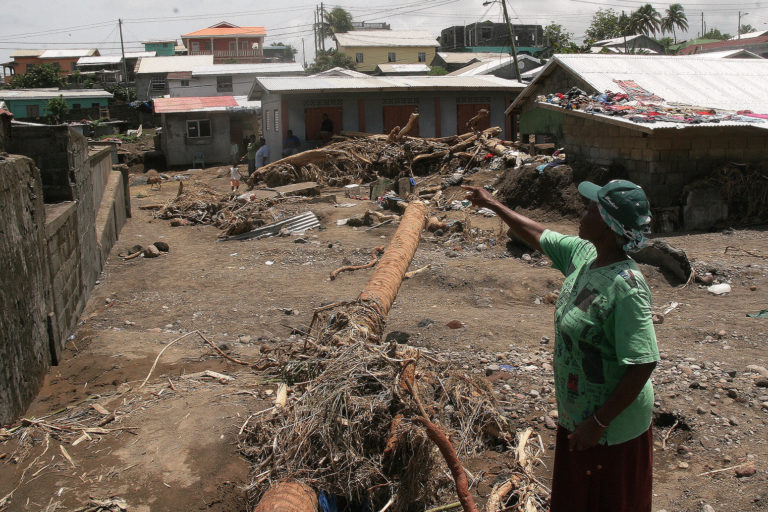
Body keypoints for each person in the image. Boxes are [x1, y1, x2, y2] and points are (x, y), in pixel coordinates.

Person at [462, 180, 659, 512]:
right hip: (578, 417)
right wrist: (493, 204)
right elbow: (540, 235)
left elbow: (643, 363)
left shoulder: (627, 287)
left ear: (610, 227)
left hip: (613, 430)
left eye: (591, 209)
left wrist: (597, 424)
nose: (581, 213)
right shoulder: (585, 256)